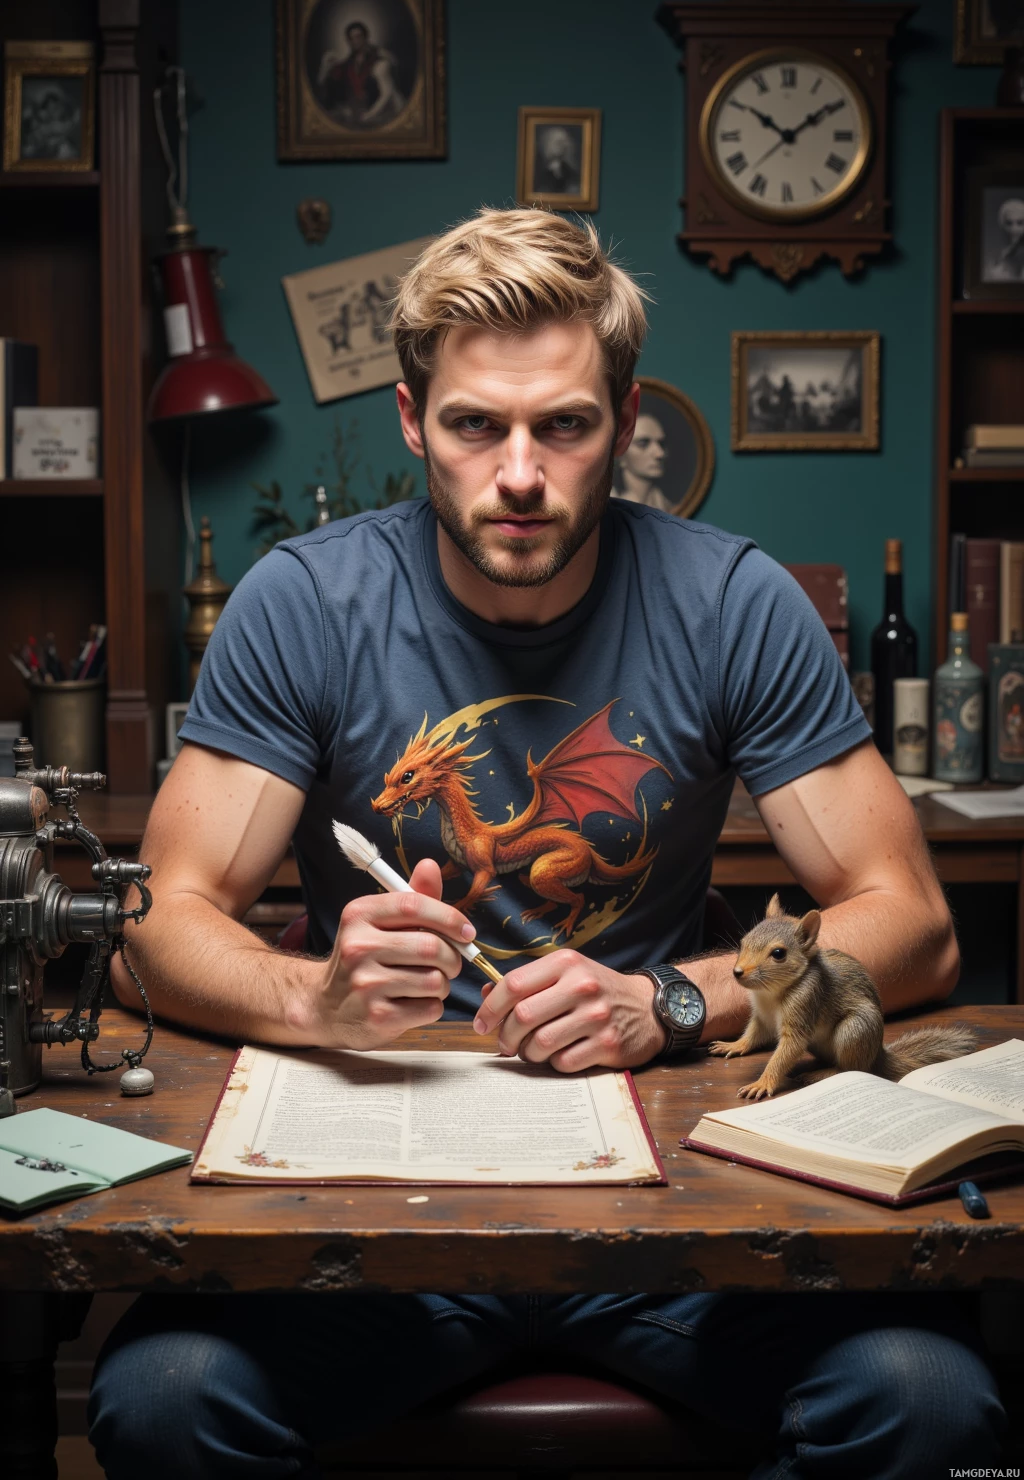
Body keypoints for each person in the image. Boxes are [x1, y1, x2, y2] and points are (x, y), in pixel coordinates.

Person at [88, 207, 1005, 1479]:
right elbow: (154, 919)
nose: (519, 472)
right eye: (474, 425)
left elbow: (909, 919)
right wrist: (320, 995)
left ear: (622, 422)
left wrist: (670, 999)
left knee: (925, 1394)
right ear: (413, 422)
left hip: (673, 1197)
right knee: (164, 1395)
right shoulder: (305, 605)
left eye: (563, 425)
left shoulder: (733, 601)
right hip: (373, 1196)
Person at [315, 19, 405, 128]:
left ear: (365, 37)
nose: (355, 41)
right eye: (351, 38)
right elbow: (322, 83)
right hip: (359, 114)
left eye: (358, 37)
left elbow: (387, 94)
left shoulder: (379, 60)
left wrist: (369, 115)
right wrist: (325, 65)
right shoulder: (348, 64)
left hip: (381, 113)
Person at [611, 411, 673, 510]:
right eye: (643, 443)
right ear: (619, 453)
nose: (660, 453)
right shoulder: (603, 506)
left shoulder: (668, 507)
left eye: (661, 443)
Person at [534, 124, 580, 193]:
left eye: (564, 143)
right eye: (558, 143)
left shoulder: (569, 170)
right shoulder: (538, 169)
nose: (563, 146)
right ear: (548, 144)